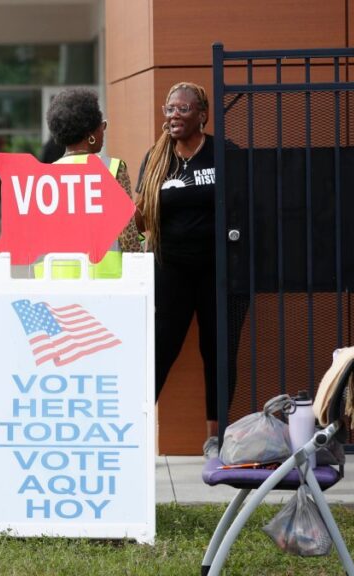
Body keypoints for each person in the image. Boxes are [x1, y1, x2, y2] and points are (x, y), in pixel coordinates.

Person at [135, 82, 229, 460]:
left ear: (202, 116)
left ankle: (214, 439)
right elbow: (142, 221)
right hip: (170, 269)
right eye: (169, 109)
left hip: (217, 271)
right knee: (160, 349)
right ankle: (137, 432)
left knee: (218, 351)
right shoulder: (156, 158)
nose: (174, 116)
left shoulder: (224, 154)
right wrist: (132, 212)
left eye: (183, 110)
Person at [45, 88, 143, 256]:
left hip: (61, 275)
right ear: (90, 133)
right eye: (102, 125)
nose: (103, 131)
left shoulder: (46, 177)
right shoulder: (112, 169)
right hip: (106, 276)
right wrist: (142, 261)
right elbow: (127, 233)